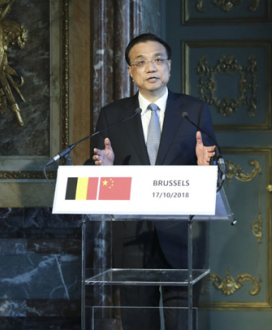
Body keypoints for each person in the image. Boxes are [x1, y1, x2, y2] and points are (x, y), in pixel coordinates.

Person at [90, 33, 217, 329]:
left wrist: (204, 166)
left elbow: (218, 170)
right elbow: (95, 170)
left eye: (158, 60)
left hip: (182, 236)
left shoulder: (194, 111)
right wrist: (105, 170)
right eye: (142, 62)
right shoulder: (113, 115)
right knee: (137, 321)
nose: (151, 67)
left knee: (180, 322)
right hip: (133, 238)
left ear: (169, 67)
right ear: (131, 72)